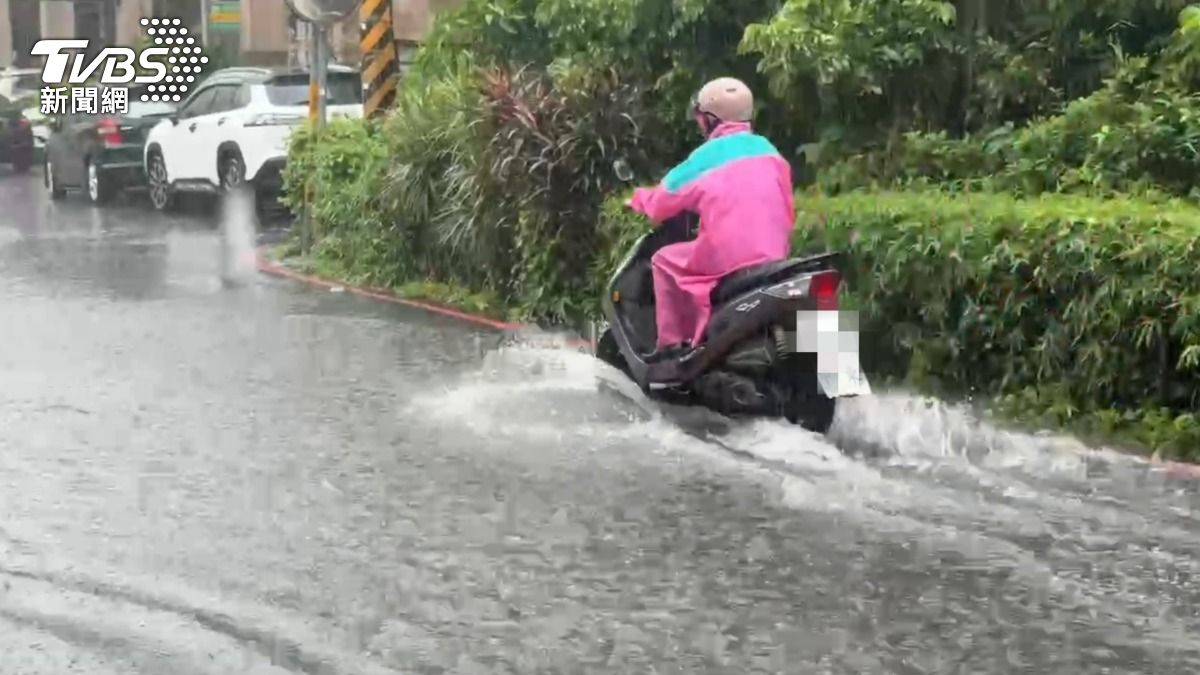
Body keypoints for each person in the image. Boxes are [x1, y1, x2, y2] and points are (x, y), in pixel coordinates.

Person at [627, 77, 796, 361]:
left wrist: (637, 200)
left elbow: (661, 202)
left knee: (663, 260)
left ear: (710, 119)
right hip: (774, 256)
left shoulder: (706, 157)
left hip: (726, 258)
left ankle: (673, 348)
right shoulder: (770, 151)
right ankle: (845, 375)